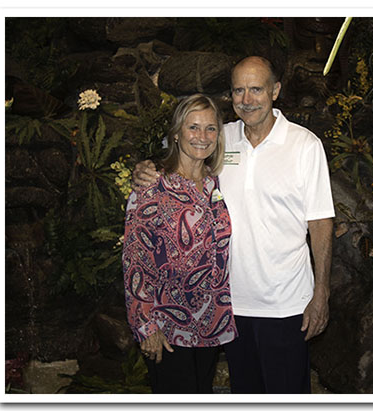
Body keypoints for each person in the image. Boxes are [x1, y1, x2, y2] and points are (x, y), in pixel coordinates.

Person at [133, 56, 334, 394]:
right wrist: (146, 167)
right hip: (229, 307)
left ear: (275, 91)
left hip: (285, 304)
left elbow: (321, 223)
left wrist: (322, 292)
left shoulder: (304, 145)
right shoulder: (220, 139)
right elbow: (178, 149)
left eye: (256, 89)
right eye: (239, 90)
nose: (247, 99)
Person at [123, 94, 236, 394]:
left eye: (210, 128)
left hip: (210, 322)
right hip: (167, 327)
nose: (202, 136)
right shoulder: (152, 186)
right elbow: (135, 261)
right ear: (176, 133)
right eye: (193, 127)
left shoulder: (214, 183)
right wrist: (145, 326)